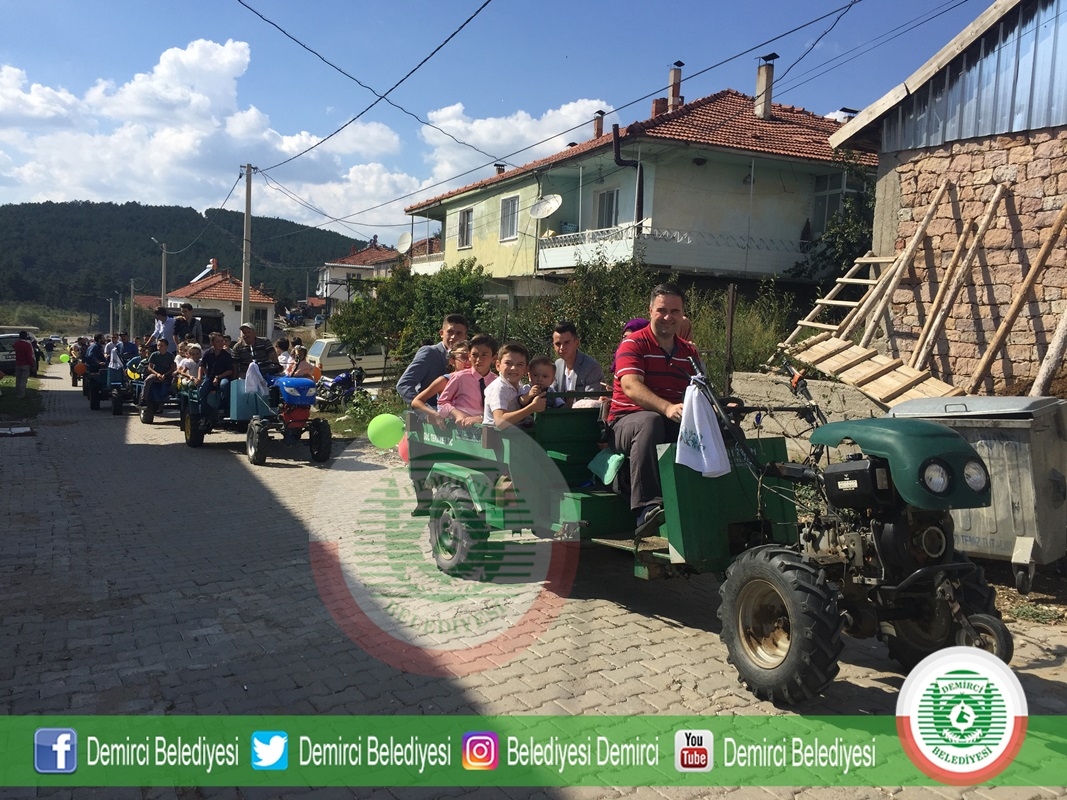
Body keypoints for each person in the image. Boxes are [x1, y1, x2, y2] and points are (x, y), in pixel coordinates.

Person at [608, 283, 700, 535]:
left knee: (724, 429)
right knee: (650, 422)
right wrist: (667, 407)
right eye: (662, 310)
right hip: (625, 423)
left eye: (675, 311)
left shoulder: (689, 352)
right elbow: (631, 386)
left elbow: (698, 390)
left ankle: (713, 498)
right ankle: (646, 508)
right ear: (650, 311)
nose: (668, 317)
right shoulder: (633, 344)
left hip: (671, 419)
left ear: (683, 315)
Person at [396, 313, 469, 404]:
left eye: (459, 334)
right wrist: (423, 408)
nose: (453, 337)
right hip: (433, 410)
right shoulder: (430, 353)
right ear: (441, 333)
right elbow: (404, 384)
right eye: (450, 332)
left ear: (465, 337)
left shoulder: (470, 357)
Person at [436, 336, 498, 427]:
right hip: (461, 428)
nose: (478, 360)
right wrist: (457, 414)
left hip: (487, 429)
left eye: (484, 355)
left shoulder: (497, 382)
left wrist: (481, 418)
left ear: (494, 358)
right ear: (469, 356)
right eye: (474, 355)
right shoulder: (460, 377)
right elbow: (442, 402)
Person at [410, 340, 474, 426]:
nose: (468, 362)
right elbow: (416, 401)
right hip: (448, 430)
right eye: (463, 357)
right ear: (452, 360)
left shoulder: (479, 380)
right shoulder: (445, 380)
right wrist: (435, 414)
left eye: (471, 357)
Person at [483, 341, 545, 428]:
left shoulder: (519, 385)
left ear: (526, 369)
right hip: (495, 435)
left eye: (519, 364)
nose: (513, 368)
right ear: (498, 365)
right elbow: (500, 421)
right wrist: (532, 408)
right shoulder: (499, 388)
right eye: (508, 363)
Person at [551, 321, 604, 395]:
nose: (562, 348)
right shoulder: (557, 365)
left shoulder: (591, 367)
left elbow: (591, 399)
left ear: (577, 343)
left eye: (567, 342)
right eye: (558, 344)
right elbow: (552, 394)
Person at [197, 333, 235, 421]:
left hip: (223, 377)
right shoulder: (207, 353)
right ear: (212, 343)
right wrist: (199, 378)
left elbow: (230, 370)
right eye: (218, 341)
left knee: (224, 385)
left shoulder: (226, 355)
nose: (221, 343)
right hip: (210, 377)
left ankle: (224, 409)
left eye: (222, 341)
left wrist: (218, 377)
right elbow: (201, 366)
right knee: (202, 390)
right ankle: (204, 416)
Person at [139, 338, 176, 406]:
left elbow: (172, 368)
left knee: (175, 379)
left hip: (167, 374)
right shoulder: (154, 355)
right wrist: (157, 374)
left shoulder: (170, 356)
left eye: (161, 345)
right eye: (158, 345)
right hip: (156, 373)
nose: (159, 347)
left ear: (166, 346)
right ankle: (143, 399)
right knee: (147, 380)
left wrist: (165, 374)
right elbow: (150, 367)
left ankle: (172, 393)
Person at [12, 331, 34, 398]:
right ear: (26, 336)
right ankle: (21, 394)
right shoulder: (27, 345)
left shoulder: (16, 344)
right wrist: (32, 364)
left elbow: (13, 346)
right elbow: (29, 356)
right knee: (23, 380)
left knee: (18, 379)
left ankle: (17, 392)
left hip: (18, 363)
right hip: (25, 364)